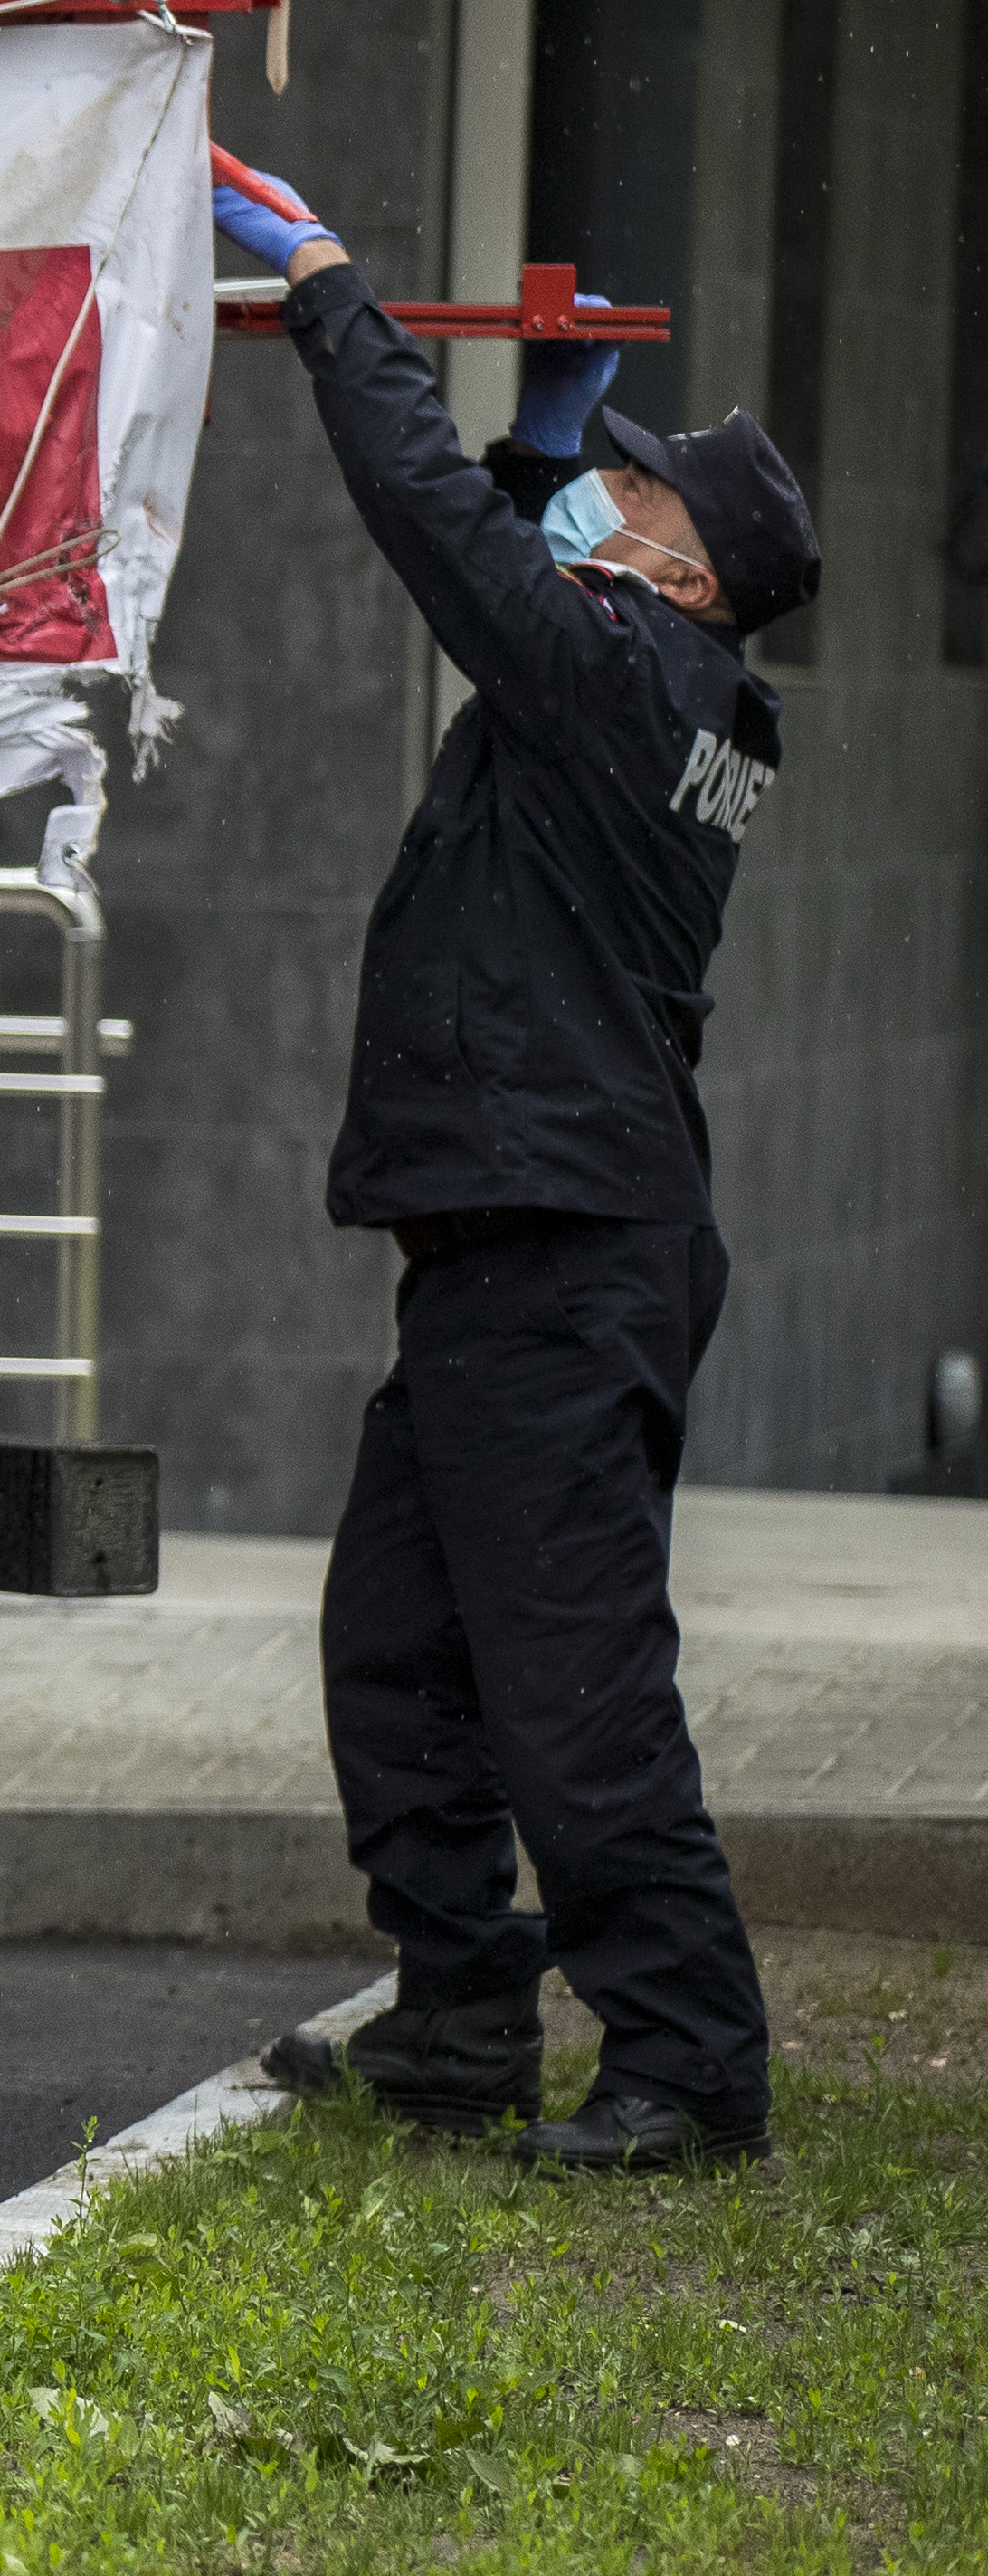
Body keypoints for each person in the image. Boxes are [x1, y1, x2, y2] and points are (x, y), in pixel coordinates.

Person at [213, 150, 815, 2178]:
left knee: (570, 1687)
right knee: (400, 1648)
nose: (597, 498)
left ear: (684, 574)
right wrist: (536, 440)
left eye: (626, 492)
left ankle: (689, 2062)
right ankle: (459, 2019)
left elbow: (444, 538)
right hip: (520, 1251)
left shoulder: (630, 677)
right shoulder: (651, 684)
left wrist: (328, 289)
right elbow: (507, 548)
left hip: (564, 1252)